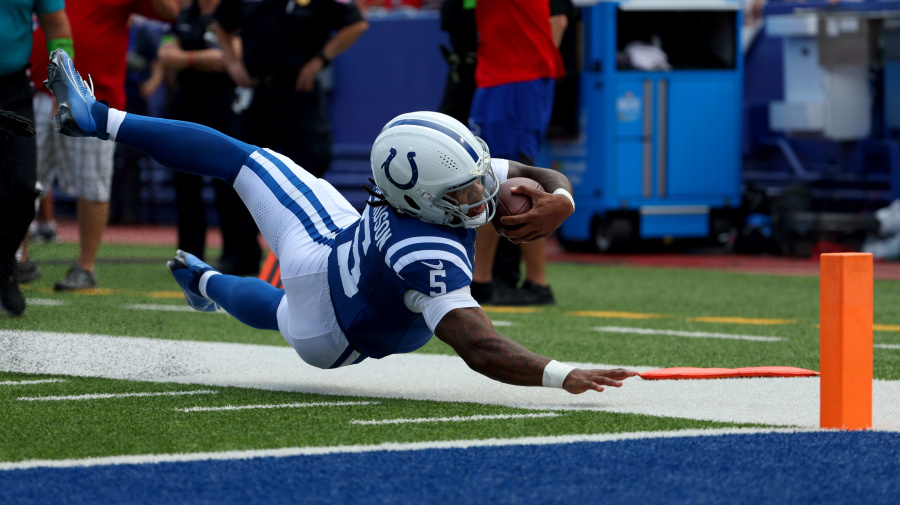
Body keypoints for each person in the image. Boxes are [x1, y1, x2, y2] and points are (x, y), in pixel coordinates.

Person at [45, 49, 637, 393]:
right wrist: (562, 375)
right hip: (332, 308)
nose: (482, 194)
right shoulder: (422, 252)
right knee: (254, 198)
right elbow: (480, 348)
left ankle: (202, 279)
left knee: (266, 254)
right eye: (463, 191)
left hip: (341, 288)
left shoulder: (423, 174)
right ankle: (98, 122)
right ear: (420, 198)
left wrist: (562, 197)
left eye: (477, 178)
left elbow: (529, 172)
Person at [27, 0, 178, 292]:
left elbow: (169, 11)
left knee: (92, 183)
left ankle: (85, 267)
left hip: (94, 98)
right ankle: (17, 261)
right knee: (21, 179)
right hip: (35, 89)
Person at [210, 0, 369, 275]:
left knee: (312, 163)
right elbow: (220, 24)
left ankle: (308, 252)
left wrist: (321, 59)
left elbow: (356, 24)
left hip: (299, 92)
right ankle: (241, 256)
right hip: (257, 94)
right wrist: (232, 62)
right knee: (241, 170)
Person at [469, 0, 574, 306]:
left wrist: (535, 56)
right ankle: (482, 279)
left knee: (512, 178)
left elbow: (559, 22)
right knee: (484, 173)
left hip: (518, 75)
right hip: (499, 73)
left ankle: (535, 282)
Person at [0, 0, 71, 316]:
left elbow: (57, 25)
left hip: (12, 89)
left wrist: (66, 90)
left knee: (22, 189)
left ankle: (3, 267)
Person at [157, 0, 238, 262]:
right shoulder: (183, 14)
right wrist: (198, 58)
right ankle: (189, 255)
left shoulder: (231, 12)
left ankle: (233, 254)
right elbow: (165, 55)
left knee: (228, 184)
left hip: (222, 107)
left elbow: (232, 56)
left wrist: (186, 59)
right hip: (186, 107)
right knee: (185, 183)